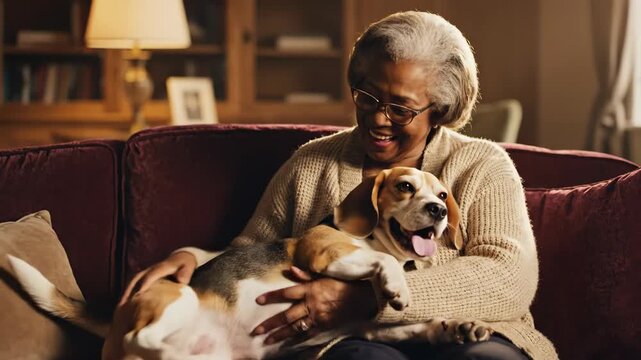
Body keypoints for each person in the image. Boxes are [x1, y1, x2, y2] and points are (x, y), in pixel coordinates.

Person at [122, 11, 557, 360]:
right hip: (338, 342)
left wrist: (365, 299)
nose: (378, 118)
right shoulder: (311, 165)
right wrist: (192, 256)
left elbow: (508, 279)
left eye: (401, 109)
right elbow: (251, 254)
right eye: (367, 97)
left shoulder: (482, 165)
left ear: (439, 111)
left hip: (466, 335)